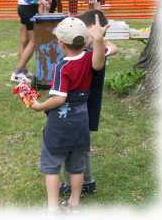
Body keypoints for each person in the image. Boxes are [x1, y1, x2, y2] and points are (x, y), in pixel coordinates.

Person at [30, 15, 109, 211]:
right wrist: (98, 40)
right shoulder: (90, 57)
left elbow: (59, 98)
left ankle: (52, 208)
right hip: (81, 120)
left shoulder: (62, 66)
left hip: (61, 124)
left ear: (60, 43)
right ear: (84, 40)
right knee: (76, 165)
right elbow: (99, 63)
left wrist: (39, 105)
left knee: (51, 164)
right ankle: (74, 202)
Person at [59, 9, 118, 196]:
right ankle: (88, 181)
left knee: (71, 147)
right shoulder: (85, 50)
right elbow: (114, 48)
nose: (81, 35)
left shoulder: (95, 54)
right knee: (80, 147)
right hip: (74, 108)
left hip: (82, 110)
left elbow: (99, 63)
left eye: (85, 31)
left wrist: (99, 39)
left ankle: (73, 183)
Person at [10, 0, 50, 82]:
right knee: (34, 41)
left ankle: (23, 71)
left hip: (24, 6)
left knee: (25, 41)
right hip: (28, 8)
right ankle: (17, 72)